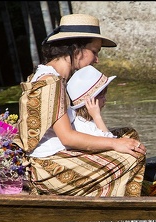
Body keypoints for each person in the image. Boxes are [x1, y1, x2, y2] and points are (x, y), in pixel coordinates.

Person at [13, 14, 146, 197]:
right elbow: (67, 137)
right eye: (94, 51)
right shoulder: (51, 82)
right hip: (49, 168)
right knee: (133, 156)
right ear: (76, 49)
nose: (96, 59)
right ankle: (122, 208)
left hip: (50, 157)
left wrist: (117, 140)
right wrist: (115, 144)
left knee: (128, 135)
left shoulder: (51, 77)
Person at [66, 65, 117, 138]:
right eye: (102, 96)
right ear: (90, 101)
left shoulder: (84, 121)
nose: (105, 99)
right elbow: (111, 142)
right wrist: (97, 116)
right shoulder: (86, 127)